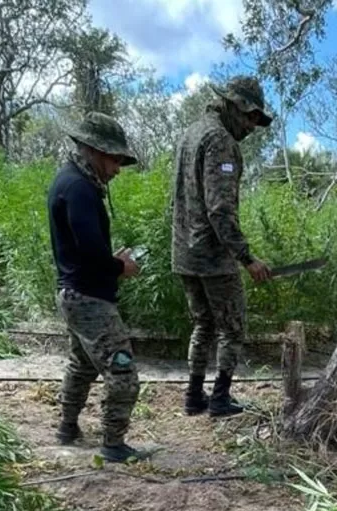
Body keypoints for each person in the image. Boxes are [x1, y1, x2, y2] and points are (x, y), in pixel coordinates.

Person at [171, 75, 274, 417]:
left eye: (255, 121)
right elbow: (220, 210)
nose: (250, 126)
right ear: (234, 107)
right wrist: (247, 258)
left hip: (185, 252)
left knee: (203, 325)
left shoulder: (191, 133)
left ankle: (193, 395)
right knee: (232, 327)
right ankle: (219, 398)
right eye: (249, 117)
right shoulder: (221, 141)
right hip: (212, 256)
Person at [48, 111, 147, 463]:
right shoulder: (80, 188)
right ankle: (113, 444)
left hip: (73, 294)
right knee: (122, 372)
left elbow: (84, 248)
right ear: (93, 149)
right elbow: (91, 254)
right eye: (115, 159)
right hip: (89, 299)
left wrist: (110, 261)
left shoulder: (69, 181)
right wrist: (121, 266)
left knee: (82, 365)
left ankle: (67, 427)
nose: (118, 168)